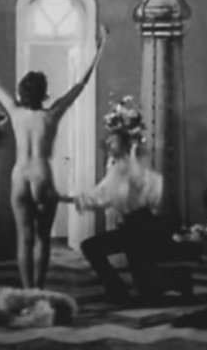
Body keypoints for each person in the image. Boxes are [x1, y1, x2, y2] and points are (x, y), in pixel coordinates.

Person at [0, 25, 107, 289]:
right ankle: (40, 290)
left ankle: (27, 292)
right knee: (43, 239)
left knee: (25, 239)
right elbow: (80, 85)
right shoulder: (52, 114)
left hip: (21, 176)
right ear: (44, 92)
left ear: (21, 92)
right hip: (42, 176)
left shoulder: (15, 112)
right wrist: (99, 49)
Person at [63, 129, 166, 303]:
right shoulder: (116, 168)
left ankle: (119, 290)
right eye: (108, 141)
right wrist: (64, 198)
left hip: (142, 225)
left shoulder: (131, 167)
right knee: (141, 278)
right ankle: (119, 289)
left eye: (113, 141)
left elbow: (148, 187)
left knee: (91, 247)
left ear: (125, 145)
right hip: (131, 226)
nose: (108, 145)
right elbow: (99, 195)